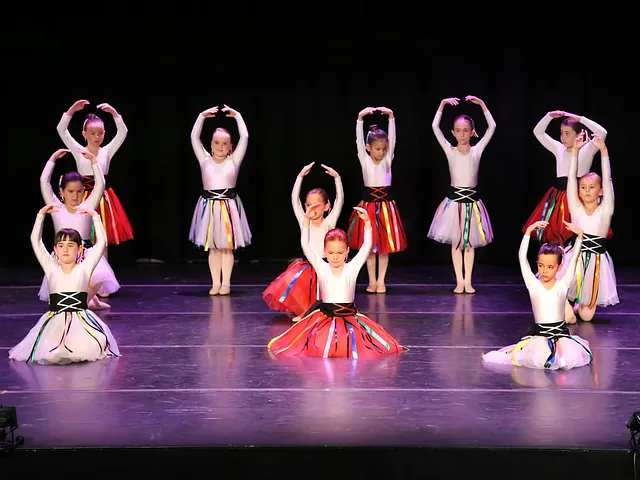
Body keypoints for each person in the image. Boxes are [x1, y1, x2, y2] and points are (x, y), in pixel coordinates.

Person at [268, 205, 406, 358]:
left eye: (340, 253)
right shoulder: (321, 267)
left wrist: (367, 223)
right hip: (324, 319)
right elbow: (305, 244)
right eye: (331, 253)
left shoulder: (352, 267)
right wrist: (306, 220)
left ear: (347, 251)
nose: (335, 257)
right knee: (320, 348)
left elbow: (367, 246)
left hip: (350, 320)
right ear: (325, 251)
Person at [9, 204, 120, 365]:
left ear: (79, 249)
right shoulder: (51, 268)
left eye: (70, 245)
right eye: (61, 246)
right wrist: (41, 215)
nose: (65, 250)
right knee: (51, 352)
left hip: (81, 321)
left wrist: (95, 217)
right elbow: (36, 241)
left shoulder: (85, 268)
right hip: (55, 322)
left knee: (89, 348)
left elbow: (101, 242)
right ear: (55, 249)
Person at [481, 220, 592, 370]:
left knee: (566, 361)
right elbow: (522, 258)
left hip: (561, 338)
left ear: (559, 267)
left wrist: (579, 237)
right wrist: (528, 233)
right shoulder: (533, 285)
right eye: (541, 266)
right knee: (540, 359)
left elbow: (573, 260)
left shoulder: (562, 284)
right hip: (539, 337)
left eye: (550, 267)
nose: (545, 271)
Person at [428, 95, 496, 294]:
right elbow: (434, 128)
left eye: (466, 130)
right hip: (454, 203)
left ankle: (468, 281)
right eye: (458, 131)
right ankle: (459, 280)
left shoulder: (477, 151)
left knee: (469, 244)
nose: (462, 134)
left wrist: (483, 104)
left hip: (472, 202)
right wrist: (441, 105)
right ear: (453, 133)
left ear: (472, 132)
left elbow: (492, 127)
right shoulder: (450, 150)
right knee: (457, 244)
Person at [38, 148, 119, 309]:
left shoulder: (87, 206)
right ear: (61, 191)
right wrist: (53, 158)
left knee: (100, 272)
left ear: (84, 192)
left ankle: (89, 299)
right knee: (60, 291)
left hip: (84, 253)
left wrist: (94, 162)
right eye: (70, 192)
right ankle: (89, 301)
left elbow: (100, 184)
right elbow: (43, 182)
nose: (75, 196)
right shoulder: (55, 208)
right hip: (64, 255)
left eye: (79, 192)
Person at [262, 162, 344, 322]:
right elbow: (294, 200)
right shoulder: (304, 220)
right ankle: (304, 312)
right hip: (306, 265)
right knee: (297, 285)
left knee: (322, 291)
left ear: (327, 206)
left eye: (317, 204)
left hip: (324, 264)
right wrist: (300, 177)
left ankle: (319, 312)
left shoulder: (329, 222)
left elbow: (340, 200)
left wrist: (337, 179)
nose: (312, 208)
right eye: (309, 205)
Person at [189, 104, 252, 295]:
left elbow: (246, 137)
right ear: (210, 145)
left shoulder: (234, 161)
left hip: (228, 208)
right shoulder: (205, 161)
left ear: (231, 147)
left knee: (226, 248)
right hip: (209, 207)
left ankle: (226, 283)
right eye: (217, 143)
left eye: (225, 144)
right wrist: (200, 116)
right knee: (214, 249)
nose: (220, 147)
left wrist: (238, 116)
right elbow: (194, 138)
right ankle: (215, 282)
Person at [522, 110, 608, 245]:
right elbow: (538, 132)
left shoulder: (587, 150)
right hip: (558, 197)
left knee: (578, 229)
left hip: (579, 196)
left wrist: (580, 119)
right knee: (558, 231)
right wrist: (549, 116)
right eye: (562, 133)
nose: (563, 137)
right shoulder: (559, 148)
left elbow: (603, 133)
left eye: (567, 133)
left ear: (579, 134)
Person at [56, 99, 132, 252]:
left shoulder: (107, 151)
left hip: (103, 200)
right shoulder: (78, 150)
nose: (97, 137)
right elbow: (61, 129)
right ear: (84, 134)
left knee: (102, 239)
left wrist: (114, 114)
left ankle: (103, 273)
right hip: (83, 197)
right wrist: (71, 110)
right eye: (92, 133)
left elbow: (123, 132)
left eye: (100, 133)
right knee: (82, 237)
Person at [347, 106, 407, 294]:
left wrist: (391, 117)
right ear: (368, 148)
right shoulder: (364, 160)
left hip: (386, 209)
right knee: (369, 247)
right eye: (377, 149)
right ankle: (372, 281)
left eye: (384, 149)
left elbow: (394, 139)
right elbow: (358, 140)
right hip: (368, 208)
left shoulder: (388, 159)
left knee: (384, 248)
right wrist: (359, 119)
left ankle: (381, 281)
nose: (381, 152)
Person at [561, 132, 618, 323]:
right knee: (569, 315)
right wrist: (575, 152)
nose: (586, 190)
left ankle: (576, 304)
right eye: (583, 187)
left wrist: (604, 152)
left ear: (600, 191)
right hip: (575, 257)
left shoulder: (605, 210)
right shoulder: (576, 208)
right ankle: (564, 304)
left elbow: (608, 181)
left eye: (592, 187)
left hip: (596, 262)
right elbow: (571, 180)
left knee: (586, 317)